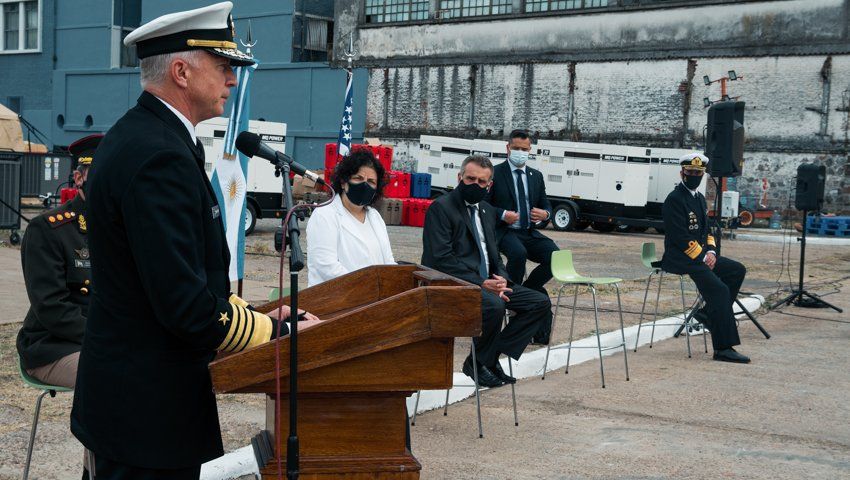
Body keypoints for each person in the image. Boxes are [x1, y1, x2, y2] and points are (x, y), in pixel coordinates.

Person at [71, 3, 318, 479]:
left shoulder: (156, 138)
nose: (232, 79)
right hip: (146, 414)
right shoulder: (156, 154)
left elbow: (178, 281)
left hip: (139, 404)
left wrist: (262, 316)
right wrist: (278, 336)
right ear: (181, 71)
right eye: (223, 66)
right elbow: (184, 304)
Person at [422, 155, 552, 388]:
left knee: (539, 302)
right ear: (459, 177)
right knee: (494, 305)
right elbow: (440, 259)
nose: (476, 185)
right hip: (453, 282)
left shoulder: (486, 210)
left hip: (486, 284)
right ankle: (484, 362)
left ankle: (485, 359)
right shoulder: (441, 208)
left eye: (482, 182)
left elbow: (494, 254)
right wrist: (482, 283)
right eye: (471, 179)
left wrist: (501, 278)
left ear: (489, 185)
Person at [16, 134, 101, 389]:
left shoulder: (119, 229)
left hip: (108, 339)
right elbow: (52, 308)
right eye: (99, 174)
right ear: (79, 178)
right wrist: (108, 336)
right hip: (54, 345)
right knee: (118, 376)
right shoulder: (48, 229)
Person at [661, 153, 750, 364]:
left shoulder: (699, 199)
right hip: (680, 258)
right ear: (682, 173)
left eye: (698, 173)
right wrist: (702, 257)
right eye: (690, 172)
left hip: (700, 257)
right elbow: (680, 237)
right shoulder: (674, 200)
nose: (694, 176)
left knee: (736, 270)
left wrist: (711, 252)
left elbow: (707, 231)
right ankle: (723, 348)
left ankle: (709, 314)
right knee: (719, 290)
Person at [486, 129, 559, 345]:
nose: (520, 152)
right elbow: (485, 205)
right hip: (505, 230)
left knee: (556, 256)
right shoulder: (495, 173)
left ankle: (526, 291)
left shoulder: (535, 176)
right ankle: (515, 298)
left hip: (528, 230)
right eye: (516, 148)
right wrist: (502, 214)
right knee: (518, 254)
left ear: (530, 150)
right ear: (508, 148)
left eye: (524, 149)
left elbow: (546, 204)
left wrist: (546, 214)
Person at [307, 149, 395, 287]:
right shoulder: (325, 214)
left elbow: (388, 261)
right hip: (335, 300)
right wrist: (366, 287)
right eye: (358, 178)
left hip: (374, 300)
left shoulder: (374, 216)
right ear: (343, 182)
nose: (365, 185)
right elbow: (326, 266)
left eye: (371, 181)